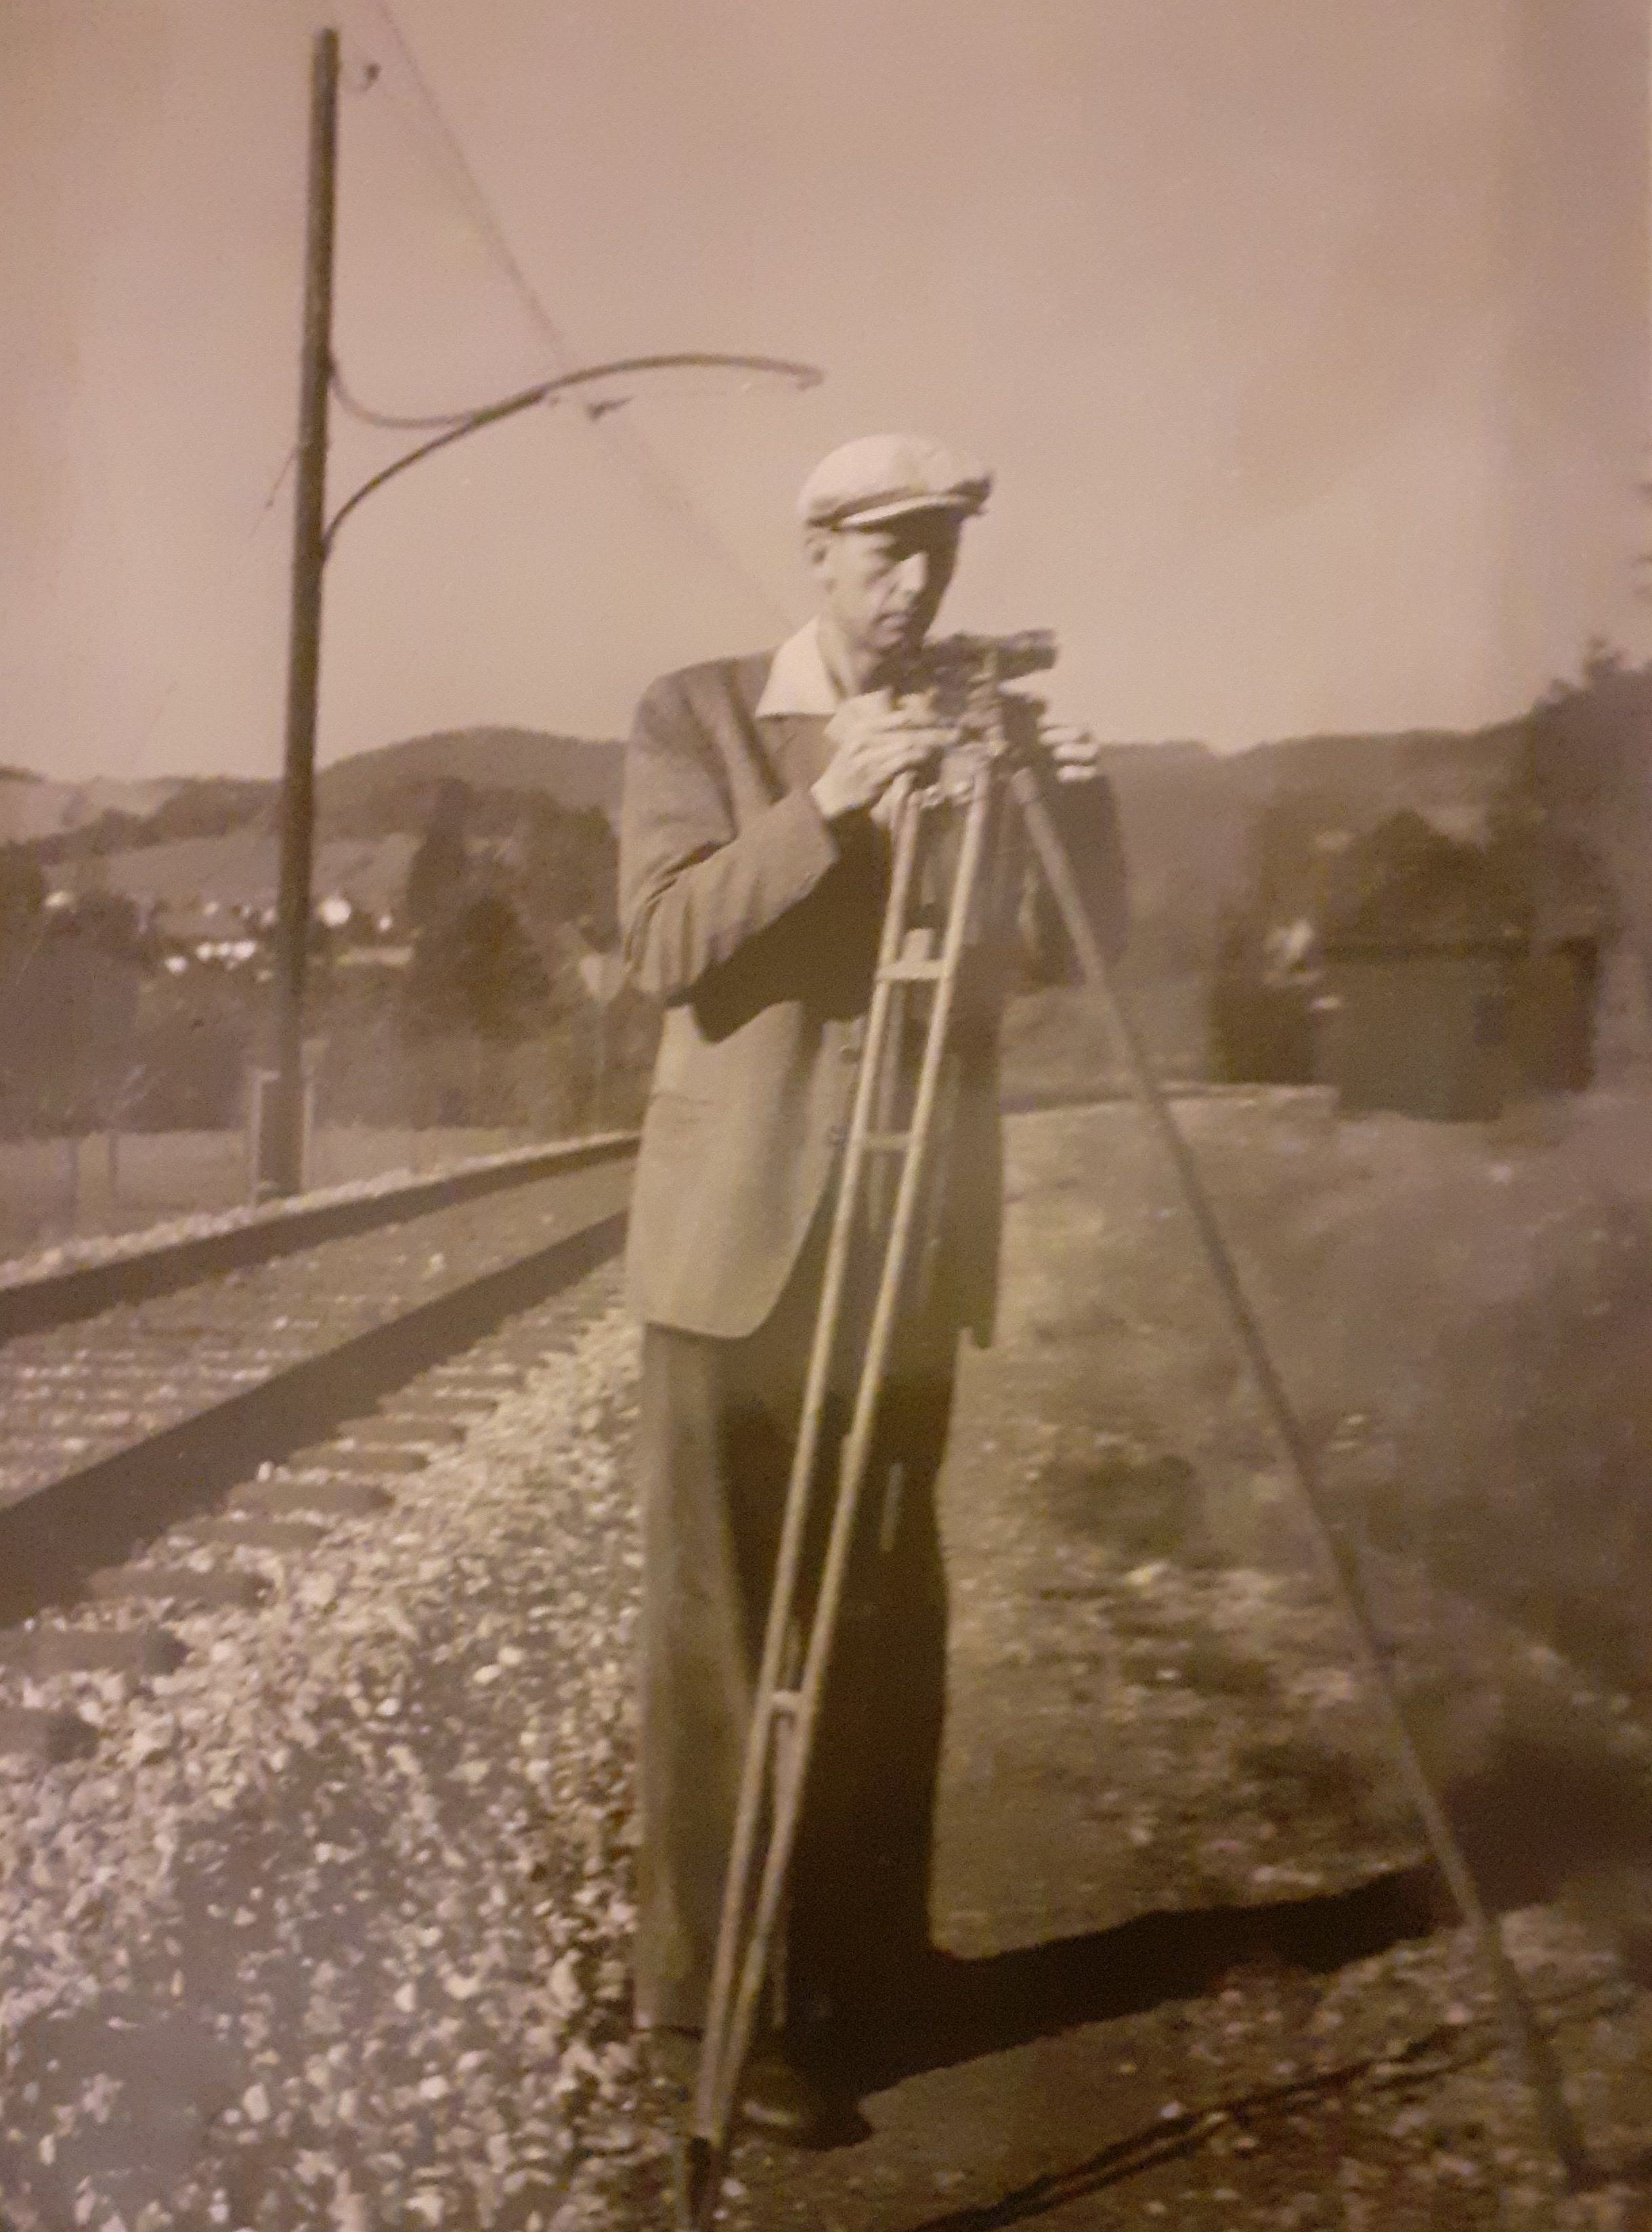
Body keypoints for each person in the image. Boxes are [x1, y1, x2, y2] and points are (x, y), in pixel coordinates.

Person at [617, 433, 1127, 2137]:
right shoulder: (698, 714)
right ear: (820, 553)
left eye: (938, 554)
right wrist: (829, 799)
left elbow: (1075, 959)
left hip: (905, 1240)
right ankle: (712, 2011)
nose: (916, 584)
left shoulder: (973, 718)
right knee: (722, 1637)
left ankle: (864, 1968)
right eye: (887, 550)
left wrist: (1072, 805)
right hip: (741, 1245)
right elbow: (664, 944)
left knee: (889, 1620)